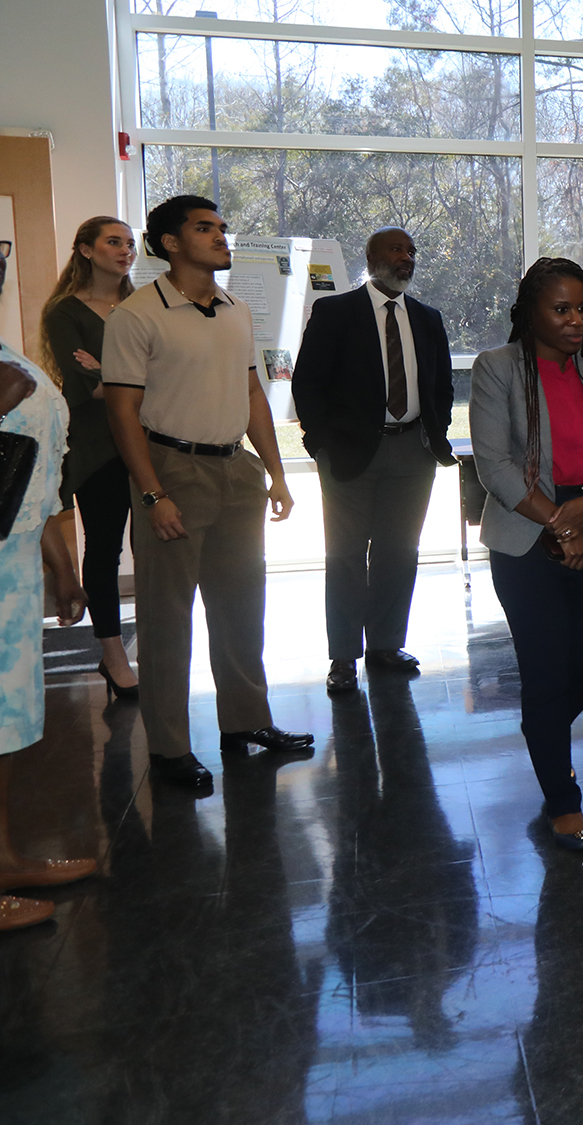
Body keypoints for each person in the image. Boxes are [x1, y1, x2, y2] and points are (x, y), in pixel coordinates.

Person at [100, 194, 315, 790]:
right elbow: (123, 411)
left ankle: (245, 722)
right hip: (173, 471)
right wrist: (151, 494)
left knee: (242, 609)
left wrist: (274, 471)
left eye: (222, 226)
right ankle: (168, 749)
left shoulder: (234, 309)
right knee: (168, 619)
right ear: (170, 242)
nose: (222, 236)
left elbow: (251, 395)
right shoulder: (138, 315)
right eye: (205, 228)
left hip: (234, 472)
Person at [469, 258, 583, 851]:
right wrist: (562, 528)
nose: (576, 320)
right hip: (525, 528)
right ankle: (562, 798)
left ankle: (543, 730)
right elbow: (495, 466)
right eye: (561, 309)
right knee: (545, 667)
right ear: (530, 312)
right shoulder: (497, 368)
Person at [291, 226, 457, 693]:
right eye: (397, 249)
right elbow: (308, 383)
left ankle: (386, 644)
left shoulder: (427, 318)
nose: (407, 257)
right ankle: (343, 656)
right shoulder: (335, 311)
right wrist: (319, 443)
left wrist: (435, 433)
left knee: (399, 553)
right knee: (344, 555)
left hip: (413, 451)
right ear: (371, 256)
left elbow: (442, 385)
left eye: (411, 250)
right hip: (348, 452)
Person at [0, 243, 98, 930]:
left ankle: (4, 858)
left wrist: (62, 566)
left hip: (12, 575)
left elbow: (28, 477)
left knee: (4, 731)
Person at [40, 216, 139, 700]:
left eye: (129, 243)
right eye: (113, 242)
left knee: (159, 551)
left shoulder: (145, 306)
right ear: (84, 250)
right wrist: (127, 379)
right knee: (104, 551)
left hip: (151, 443)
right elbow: (88, 389)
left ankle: (159, 649)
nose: (125, 250)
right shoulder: (65, 312)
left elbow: (165, 378)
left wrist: (112, 374)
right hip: (98, 448)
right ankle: (114, 656)